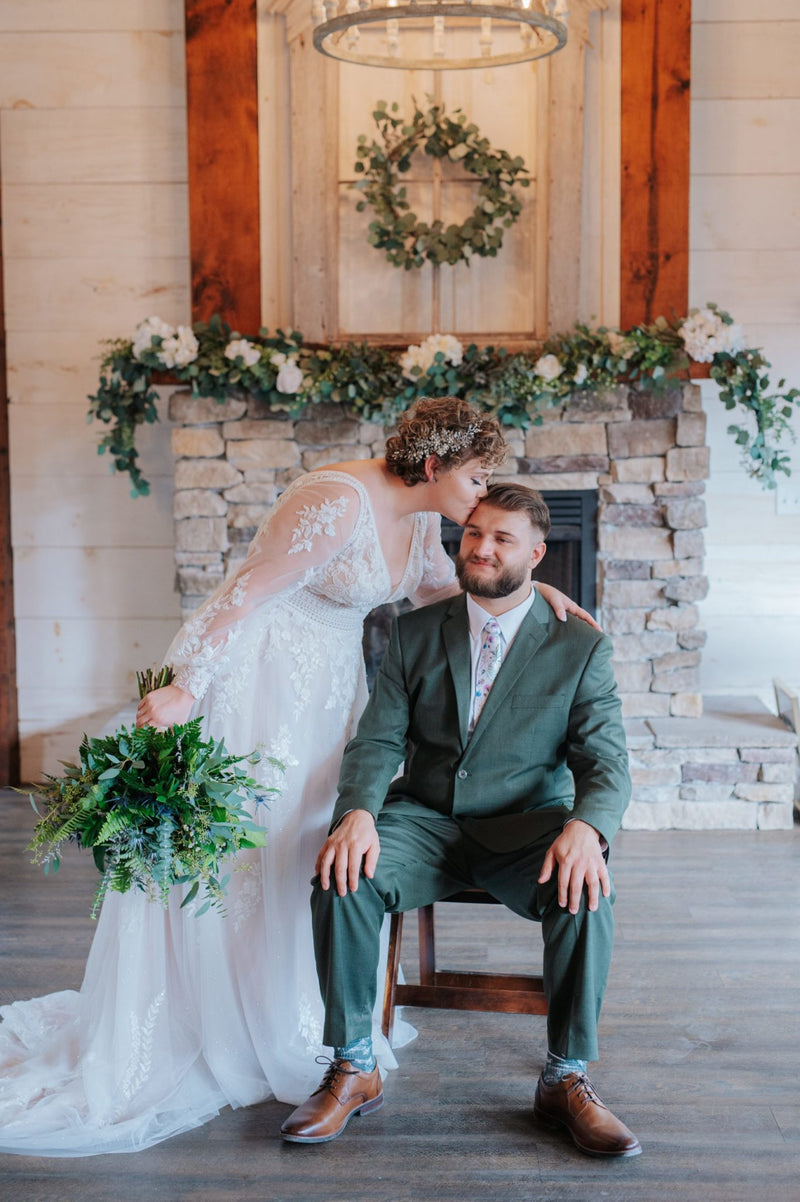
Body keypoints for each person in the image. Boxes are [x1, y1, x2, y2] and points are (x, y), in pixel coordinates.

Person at [0, 398, 593, 1157]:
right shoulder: (334, 499)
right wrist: (187, 684)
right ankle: (222, 1018)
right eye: (477, 477)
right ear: (436, 465)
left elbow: (436, 594)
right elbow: (243, 593)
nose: (483, 494)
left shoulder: (417, 523)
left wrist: (532, 591)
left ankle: (292, 1008)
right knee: (250, 849)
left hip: (332, 695)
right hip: (263, 685)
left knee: (307, 845)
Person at [281, 481, 640, 1158]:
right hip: (423, 820)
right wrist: (358, 812)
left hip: (527, 825)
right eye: (474, 533)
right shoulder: (415, 630)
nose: (481, 547)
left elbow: (607, 760)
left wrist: (587, 830)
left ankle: (566, 1078)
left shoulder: (580, 647)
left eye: (502, 538)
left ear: (537, 552)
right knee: (340, 872)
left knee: (589, 889)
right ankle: (355, 1067)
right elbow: (378, 738)